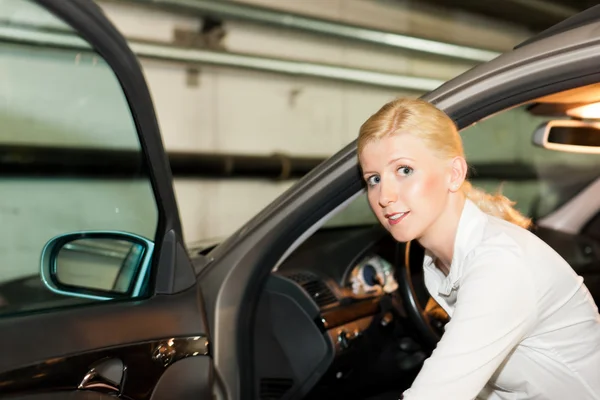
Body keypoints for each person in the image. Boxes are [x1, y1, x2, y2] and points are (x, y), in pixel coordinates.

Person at [357, 98, 600, 400]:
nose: (384, 196)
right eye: (374, 179)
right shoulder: (439, 260)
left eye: (404, 170)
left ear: (454, 173)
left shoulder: (499, 264)